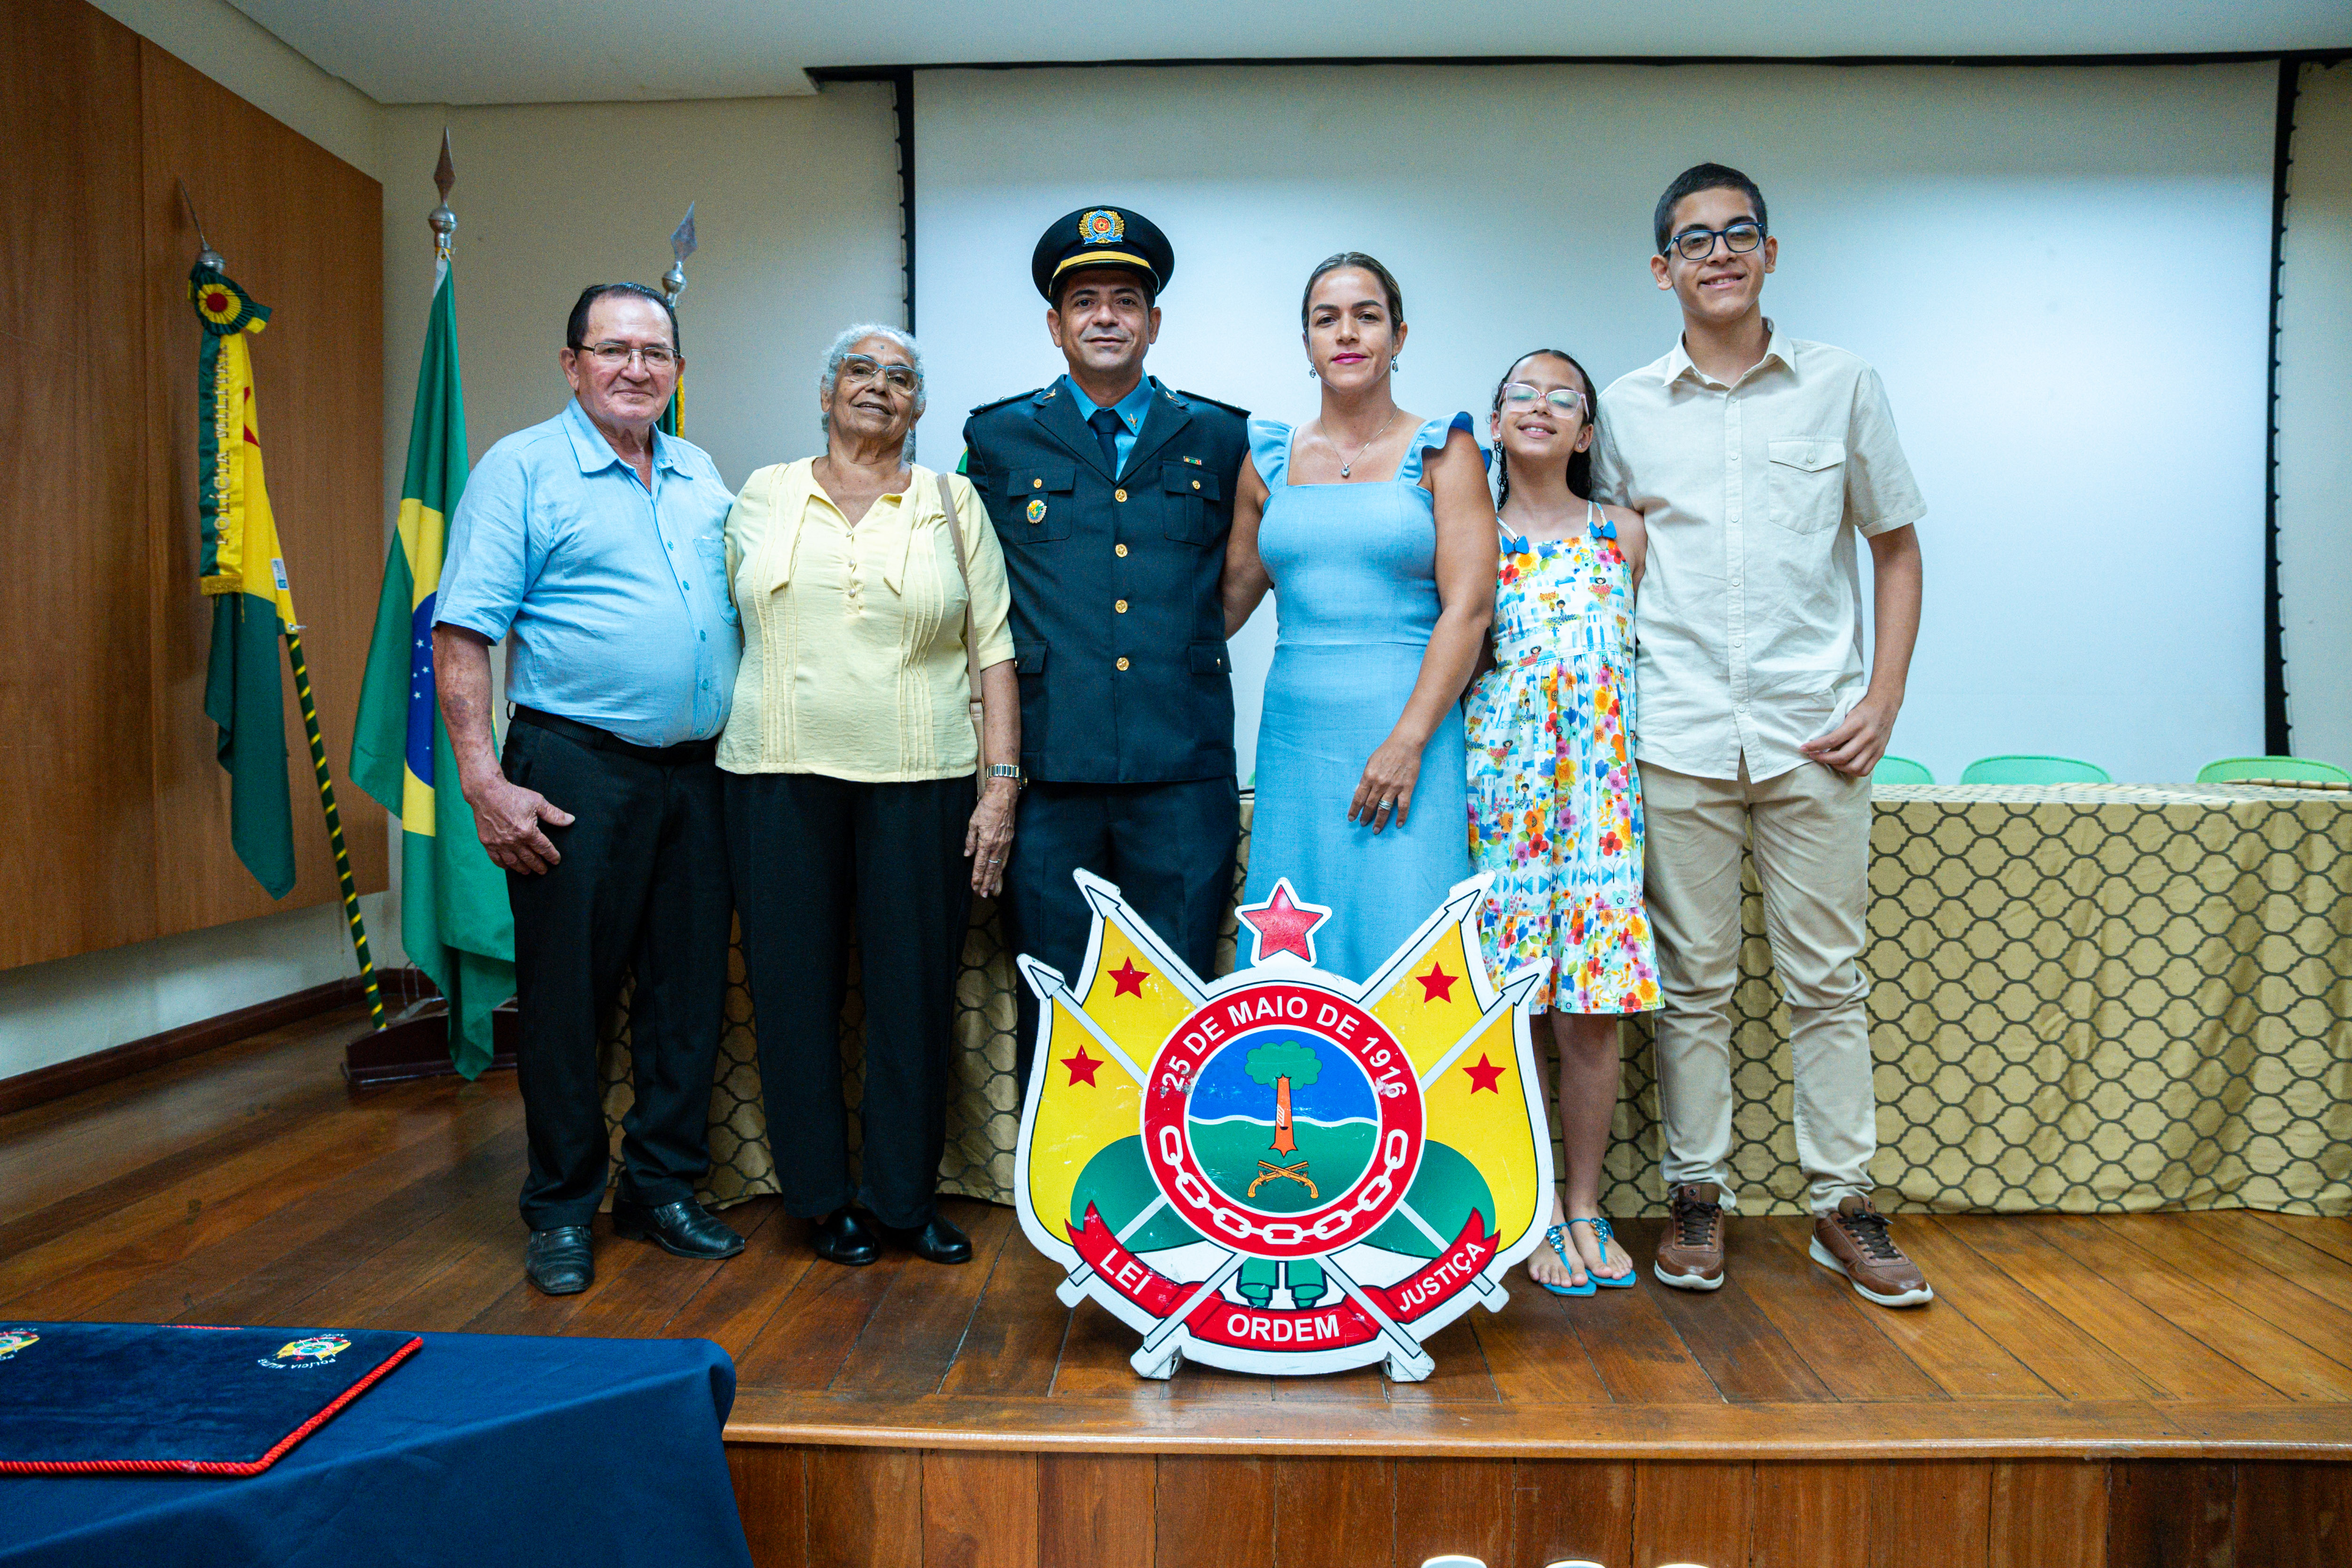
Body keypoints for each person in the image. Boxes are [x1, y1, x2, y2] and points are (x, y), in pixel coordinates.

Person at [1590, 162, 1932, 1308]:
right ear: (1663, 269)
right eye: (1694, 239)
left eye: (1739, 233)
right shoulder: (1628, 408)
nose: (1719, 252)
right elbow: (1601, 559)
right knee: (1690, 982)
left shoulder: (1842, 385)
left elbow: (1893, 546)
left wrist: (1881, 698)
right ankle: (1698, 1195)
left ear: (1769, 253)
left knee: (1825, 981)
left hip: (1812, 734)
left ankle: (1843, 1202)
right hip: (1674, 730)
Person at [436, 282, 744, 1297]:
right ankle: (562, 1206)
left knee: (685, 991)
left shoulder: (702, 473)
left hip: (699, 775)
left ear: (679, 371)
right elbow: (464, 629)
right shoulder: (522, 468)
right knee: (570, 1000)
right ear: (571, 363)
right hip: (576, 768)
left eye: (655, 352)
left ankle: (661, 1187)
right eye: (612, 349)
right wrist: (482, 777)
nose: (635, 368)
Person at [720, 325, 1018, 1268]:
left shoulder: (950, 498)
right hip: (774, 776)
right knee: (792, 992)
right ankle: (818, 1198)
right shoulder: (763, 492)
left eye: (901, 378)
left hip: (923, 779)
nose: (879, 388)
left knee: (913, 996)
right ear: (825, 390)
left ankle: (901, 1198)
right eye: (860, 370)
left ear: (919, 406)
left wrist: (1000, 785)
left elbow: (995, 649)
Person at [961, 207, 1250, 1080]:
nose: (1106, 317)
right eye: (1084, 301)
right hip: (1052, 765)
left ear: (1154, 322)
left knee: (1180, 989)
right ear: (1056, 326)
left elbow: (1237, 583)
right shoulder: (999, 436)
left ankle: (1171, 1182)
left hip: (1181, 760)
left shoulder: (1220, 436)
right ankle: (1060, 1190)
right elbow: (976, 597)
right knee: (1054, 987)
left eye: (1127, 300)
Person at [1221, 253, 1494, 982]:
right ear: (1305, 341)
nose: (1347, 333)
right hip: (1297, 744)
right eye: (1326, 318)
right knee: (1297, 953)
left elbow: (1469, 609)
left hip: (1412, 732)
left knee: (1411, 944)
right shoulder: (1267, 458)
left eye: (1367, 316)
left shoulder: (1446, 449)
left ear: (1399, 336)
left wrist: (1407, 741)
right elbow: (1223, 607)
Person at [1467, 349, 1661, 1297]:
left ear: (1586, 432)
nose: (1539, 408)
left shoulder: (1622, 534)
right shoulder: (1469, 537)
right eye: (1521, 395)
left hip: (1599, 805)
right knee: (1516, 1007)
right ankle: (1533, 1203)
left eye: (1563, 400)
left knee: (1590, 1011)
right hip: (1499, 803)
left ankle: (1584, 1201)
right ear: (1494, 420)